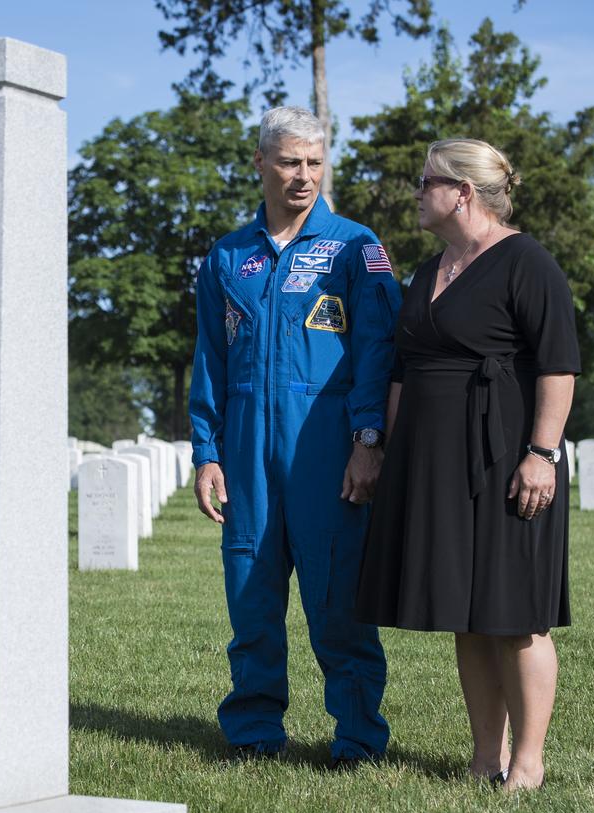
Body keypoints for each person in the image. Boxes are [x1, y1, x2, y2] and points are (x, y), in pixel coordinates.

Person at [355, 139, 579, 792]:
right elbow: (403, 368)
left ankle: (528, 762)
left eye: (425, 181)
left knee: (515, 615)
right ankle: (486, 755)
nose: (415, 192)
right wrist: (391, 455)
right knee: (468, 612)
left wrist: (541, 454)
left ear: (462, 192)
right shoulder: (429, 271)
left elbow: (559, 364)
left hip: (506, 459)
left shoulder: (526, 262)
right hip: (436, 469)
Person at [189, 106, 402, 766]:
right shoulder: (227, 257)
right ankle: (254, 730)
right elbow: (210, 360)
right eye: (288, 161)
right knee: (251, 597)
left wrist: (368, 440)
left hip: (327, 453)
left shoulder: (356, 247)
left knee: (338, 603)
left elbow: (380, 349)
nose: (303, 175)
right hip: (248, 453)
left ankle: (358, 736)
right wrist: (208, 451)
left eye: (314, 162)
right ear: (260, 164)